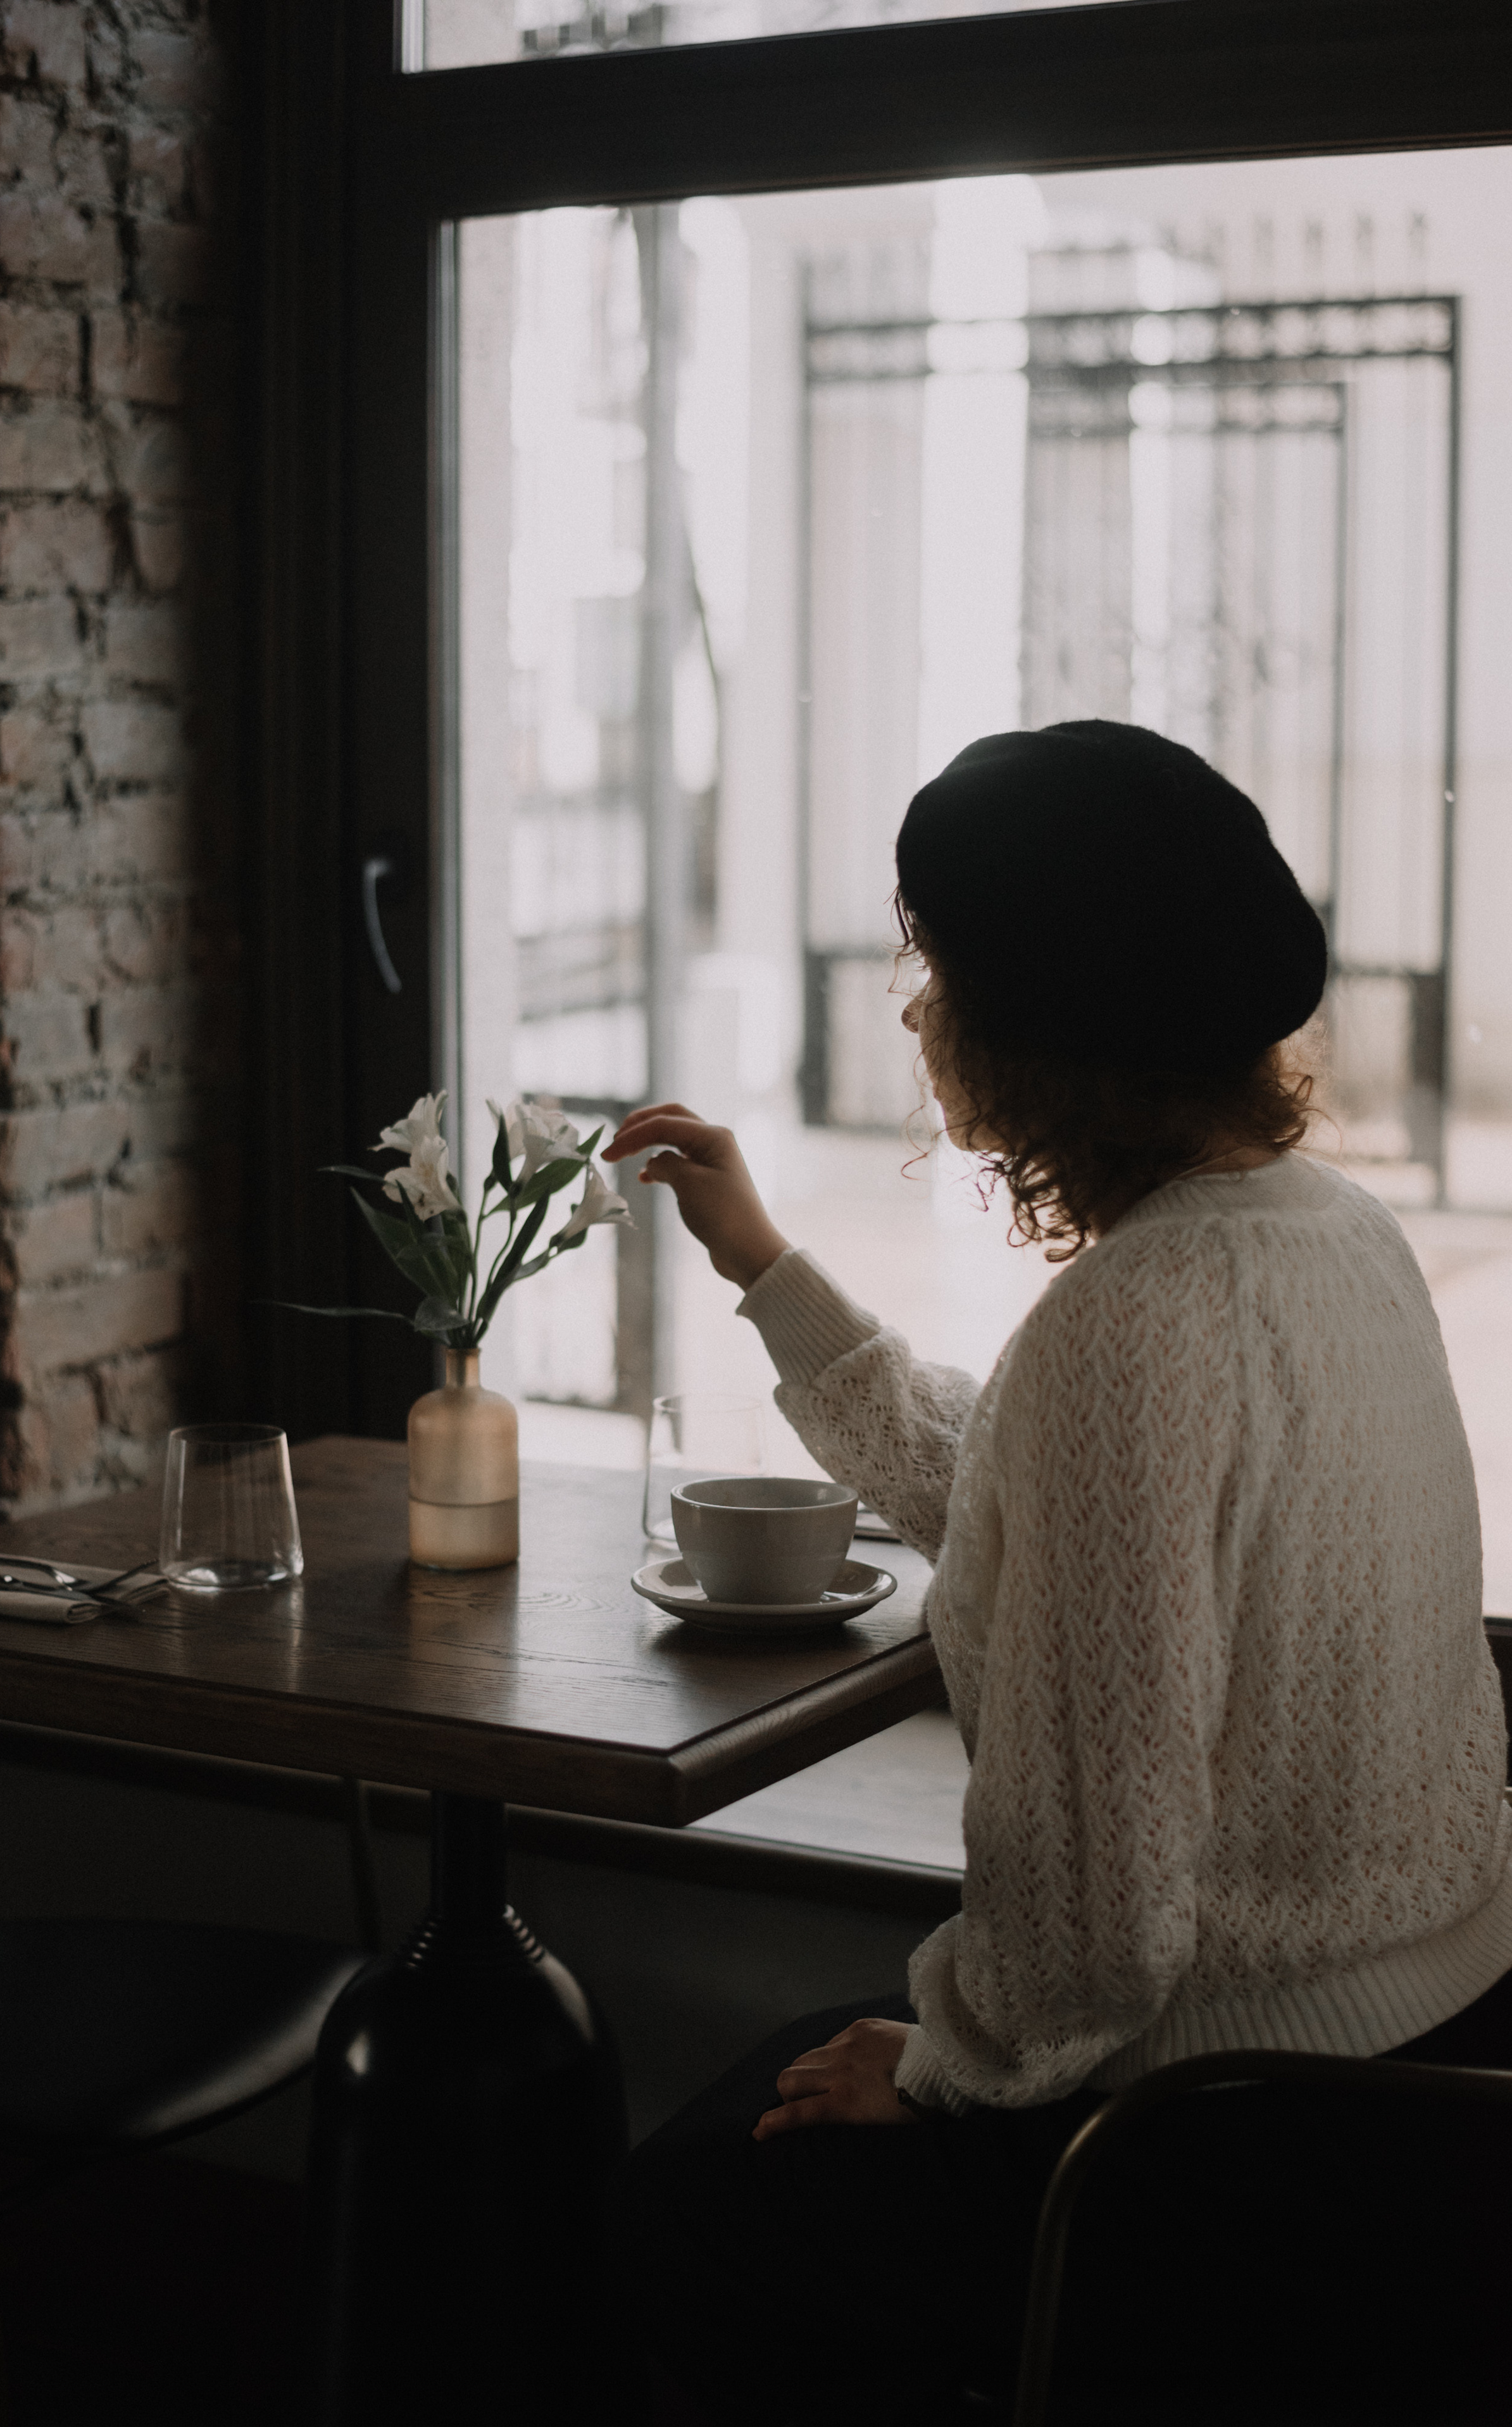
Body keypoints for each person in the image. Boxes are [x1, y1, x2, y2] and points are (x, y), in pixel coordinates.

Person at [600, 721, 1512, 2426]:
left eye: (934, 967)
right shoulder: (1335, 1230)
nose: (915, 1006)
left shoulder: (1132, 1326)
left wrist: (948, 2065)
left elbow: (1097, 1919)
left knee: (675, 2215)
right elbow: (1031, 1499)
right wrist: (769, 1269)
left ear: (1043, 1028)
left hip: (1234, 2138)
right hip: (1443, 2072)